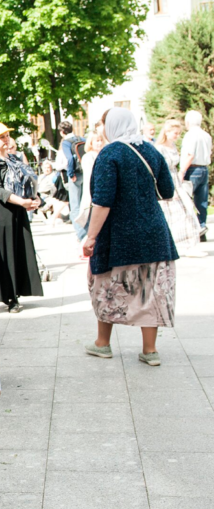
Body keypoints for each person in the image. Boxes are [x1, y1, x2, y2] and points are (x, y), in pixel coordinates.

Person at [83, 108, 179, 366]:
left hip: (118, 235)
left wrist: (90, 237)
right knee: (150, 289)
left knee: (105, 284)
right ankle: (150, 350)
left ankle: (103, 344)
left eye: (102, 124)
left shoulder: (110, 153)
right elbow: (167, 191)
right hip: (154, 233)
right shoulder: (150, 149)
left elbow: (102, 201)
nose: (101, 129)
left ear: (111, 125)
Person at [0, 123, 43, 313]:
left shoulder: (13, 158)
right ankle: (9, 296)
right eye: (1, 136)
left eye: (7, 135)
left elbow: (27, 180)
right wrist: (22, 202)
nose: (5, 138)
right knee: (6, 254)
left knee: (18, 252)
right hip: (3, 213)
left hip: (19, 210)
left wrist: (35, 197)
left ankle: (17, 292)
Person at [154, 120, 204, 257]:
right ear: (167, 132)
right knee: (174, 214)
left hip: (176, 179)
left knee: (187, 211)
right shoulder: (160, 148)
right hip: (168, 180)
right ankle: (176, 245)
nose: (177, 135)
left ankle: (190, 244)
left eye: (178, 133)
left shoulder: (172, 146)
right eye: (175, 133)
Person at [180, 110, 211, 239]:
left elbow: (190, 155)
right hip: (204, 168)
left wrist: (182, 171)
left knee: (186, 200)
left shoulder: (190, 135)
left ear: (188, 122)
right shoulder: (206, 135)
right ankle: (202, 227)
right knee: (201, 201)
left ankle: (192, 230)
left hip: (192, 170)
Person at [56, 121, 86, 241]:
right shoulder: (81, 138)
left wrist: (70, 173)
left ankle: (81, 234)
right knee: (84, 203)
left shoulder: (66, 142)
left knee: (75, 206)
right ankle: (87, 229)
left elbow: (69, 158)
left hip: (75, 174)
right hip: (85, 172)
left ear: (62, 132)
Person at [36, 160, 69, 226]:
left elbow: (53, 188)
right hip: (40, 196)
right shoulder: (40, 177)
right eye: (45, 168)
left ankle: (54, 218)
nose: (47, 169)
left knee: (56, 201)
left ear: (51, 168)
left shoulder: (53, 176)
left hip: (50, 196)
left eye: (48, 167)